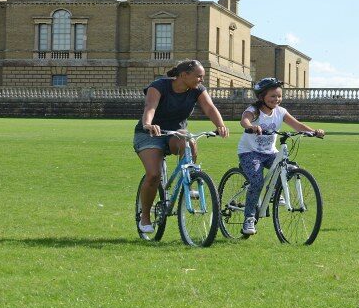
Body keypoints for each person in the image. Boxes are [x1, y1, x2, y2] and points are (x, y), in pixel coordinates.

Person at [134, 59, 229, 234]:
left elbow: (209, 108)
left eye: (203, 77)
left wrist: (220, 125)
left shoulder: (197, 90)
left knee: (190, 141)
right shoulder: (159, 86)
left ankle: (189, 181)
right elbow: (150, 107)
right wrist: (148, 124)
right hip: (149, 134)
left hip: (175, 132)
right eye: (198, 77)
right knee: (154, 175)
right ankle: (145, 217)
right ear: (184, 75)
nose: (201, 80)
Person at [238, 77, 324, 235]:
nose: (276, 99)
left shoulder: (281, 112)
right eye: (272, 96)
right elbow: (245, 120)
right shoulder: (254, 110)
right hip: (249, 152)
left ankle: (274, 193)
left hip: (270, 152)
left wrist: (313, 132)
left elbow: (297, 125)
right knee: (257, 182)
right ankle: (249, 219)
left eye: (279, 96)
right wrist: (251, 127)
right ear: (261, 97)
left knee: (289, 167)